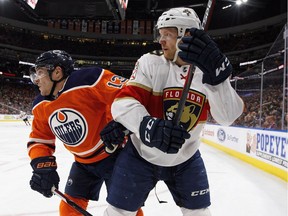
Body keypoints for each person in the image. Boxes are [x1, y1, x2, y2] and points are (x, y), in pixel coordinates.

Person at [100, 7, 244, 216]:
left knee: (200, 213)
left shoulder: (207, 70)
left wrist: (218, 78)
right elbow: (123, 102)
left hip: (186, 159)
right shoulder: (150, 61)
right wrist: (149, 127)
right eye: (161, 34)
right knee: (117, 212)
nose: (161, 40)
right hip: (141, 155)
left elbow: (227, 117)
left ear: (187, 35)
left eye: (167, 34)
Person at [27, 50, 143, 216]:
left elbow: (128, 93)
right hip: (83, 164)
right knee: (68, 209)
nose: (36, 79)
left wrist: (119, 123)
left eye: (40, 72)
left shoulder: (89, 79)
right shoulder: (40, 104)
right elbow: (40, 139)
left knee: (126, 209)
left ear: (57, 72)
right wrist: (42, 167)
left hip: (115, 156)